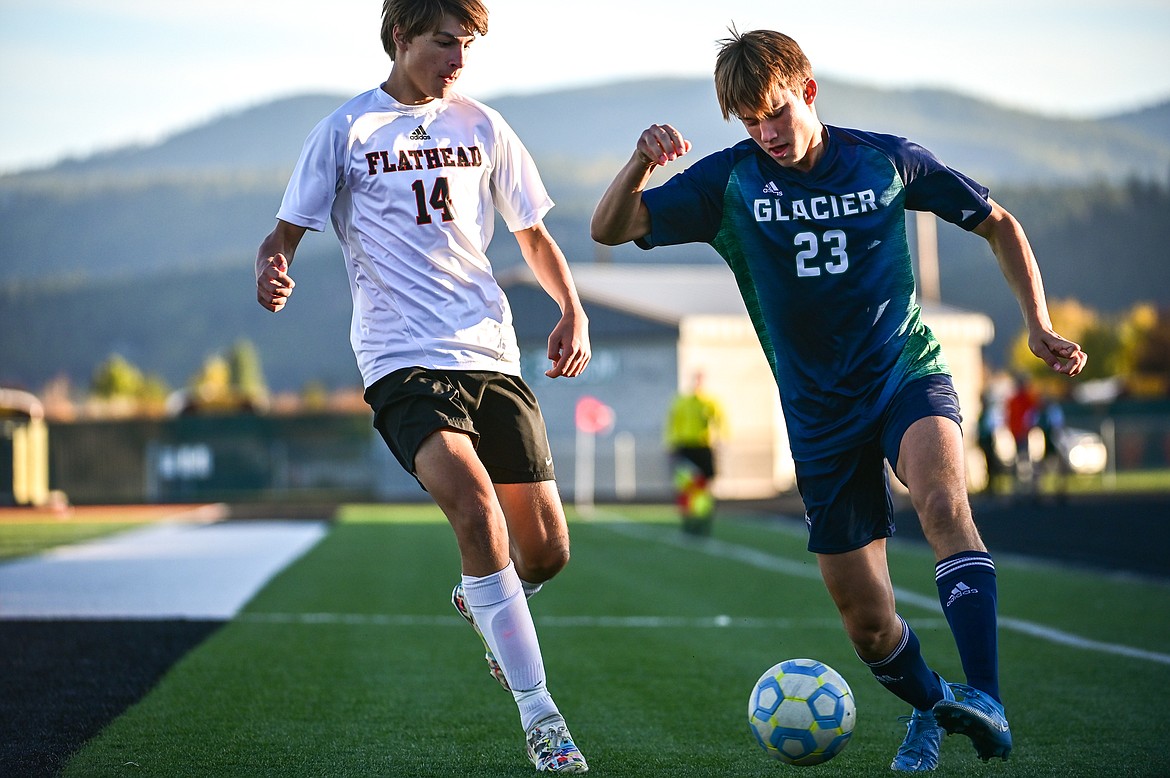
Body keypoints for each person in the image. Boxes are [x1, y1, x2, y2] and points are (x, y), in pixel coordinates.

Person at [590, 28, 1086, 771]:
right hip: (817, 414)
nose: (766, 133)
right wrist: (639, 162)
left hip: (903, 375)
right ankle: (932, 707)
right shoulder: (729, 182)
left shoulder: (885, 159)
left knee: (946, 507)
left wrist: (1039, 325)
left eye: (776, 112)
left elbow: (998, 223)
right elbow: (610, 228)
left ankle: (986, 697)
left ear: (808, 91)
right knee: (866, 620)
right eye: (749, 121)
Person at [255, 1, 589, 772]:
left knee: (544, 556)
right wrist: (273, 265)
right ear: (401, 37)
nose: (459, 58)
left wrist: (570, 308)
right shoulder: (344, 131)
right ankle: (543, 720)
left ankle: (485, 600)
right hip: (401, 358)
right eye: (445, 41)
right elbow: (287, 230)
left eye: (468, 44)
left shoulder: (484, 126)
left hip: (490, 356)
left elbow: (533, 233)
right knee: (475, 511)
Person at [665, 372, 725, 534]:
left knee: (704, 488)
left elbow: (721, 421)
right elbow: (673, 423)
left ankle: (703, 521)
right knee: (687, 487)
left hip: (704, 447)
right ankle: (688, 522)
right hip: (686, 448)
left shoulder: (709, 402)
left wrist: (720, 439)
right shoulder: (682, 401)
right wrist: (671, 445)